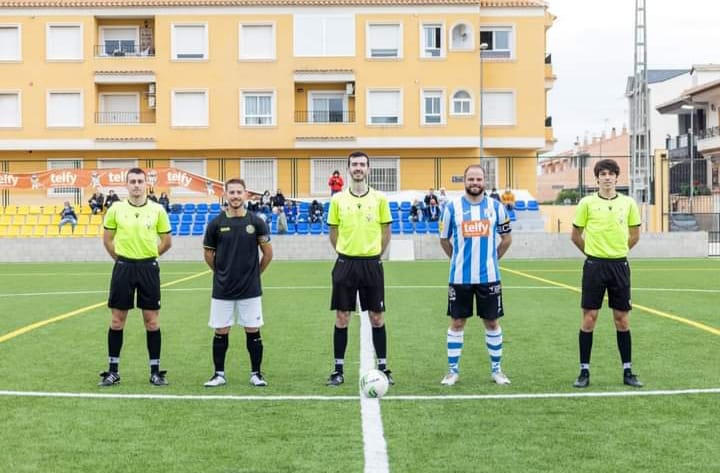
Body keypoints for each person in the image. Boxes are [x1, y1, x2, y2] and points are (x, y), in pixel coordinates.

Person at [570, 159, 643, 389]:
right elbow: (575, 235)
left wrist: (617, 252)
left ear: (617, 177)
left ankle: (628, 371)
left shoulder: (628, 203)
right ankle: (584, 372)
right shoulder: (586, 203)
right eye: (603, 173)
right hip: (594, 266)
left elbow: (634, 235)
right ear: (597, 177)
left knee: (622, 319)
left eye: (611, 173)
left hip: (619, 266)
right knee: (589, 318)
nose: (607, 177)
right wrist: (593, 254)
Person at [439, 165, 513, 386]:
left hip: (489, 277)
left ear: (484, 181)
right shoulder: (452, 208)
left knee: (491, 322)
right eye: (471, 179)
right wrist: (457, 259)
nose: (475, 182)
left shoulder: (496, 207)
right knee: (457, 322)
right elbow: (444, 239)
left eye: (478, 179)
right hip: (460, 277)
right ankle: (452, 371)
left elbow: (507, 238)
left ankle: (497, 370)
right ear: (464, 181)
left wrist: (492, 259)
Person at [99, 168, 172, 387]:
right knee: (116, 321)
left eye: (140, 181)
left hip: (148, 268)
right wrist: (121, 260)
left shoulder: (157, 209)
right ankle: (113, 372)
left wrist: (148, 258)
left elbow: (167, 242)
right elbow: (107, 240)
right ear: (126, 184)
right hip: (124, 267)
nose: (137, 185)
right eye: (133, 181)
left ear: (146, 184)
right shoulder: (116, 209)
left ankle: (155, 372)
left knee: (151, 321)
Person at [326, 151, 394, 386]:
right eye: (354, 164)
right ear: (348, 168)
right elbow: (333, 233)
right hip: (345, 263)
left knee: (376, 316)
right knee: (342, 316)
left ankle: (384, 367)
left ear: (368, 169)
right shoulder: (337, 200)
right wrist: (345, 252)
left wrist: (376, 254)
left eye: (362, 164)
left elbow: (386, 232)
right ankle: (338, 370)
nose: (358, 168)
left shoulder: (380, 199)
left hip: (371, 264)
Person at [202, 178, 273, 387]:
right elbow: (208, 254)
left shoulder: (256, 222)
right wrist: (221, 272)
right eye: (231, 192)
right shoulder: (216, 223)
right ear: (226, 195)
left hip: (250, 289)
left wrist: (255, 273)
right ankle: (219, 375)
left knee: (253, 329)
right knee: (221, 330)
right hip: (222, 288)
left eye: (238, 192)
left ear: (246, 195)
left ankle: (256, 374)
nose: (235, 196)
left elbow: (268, 253)